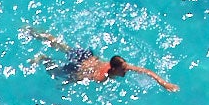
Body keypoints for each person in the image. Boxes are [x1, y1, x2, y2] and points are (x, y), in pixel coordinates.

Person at [27, 31, 177, 89]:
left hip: (87, 56)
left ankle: (35, 33)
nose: (127, 70)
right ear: (113, 69)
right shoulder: (101, 77)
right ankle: (43, 58)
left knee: (64, 47)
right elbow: (80, 77)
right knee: (58, 72)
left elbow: (147, 71)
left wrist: (164, 83)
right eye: (123, 69)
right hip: (80, 66)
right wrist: (67, 83)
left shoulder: (120, 67)